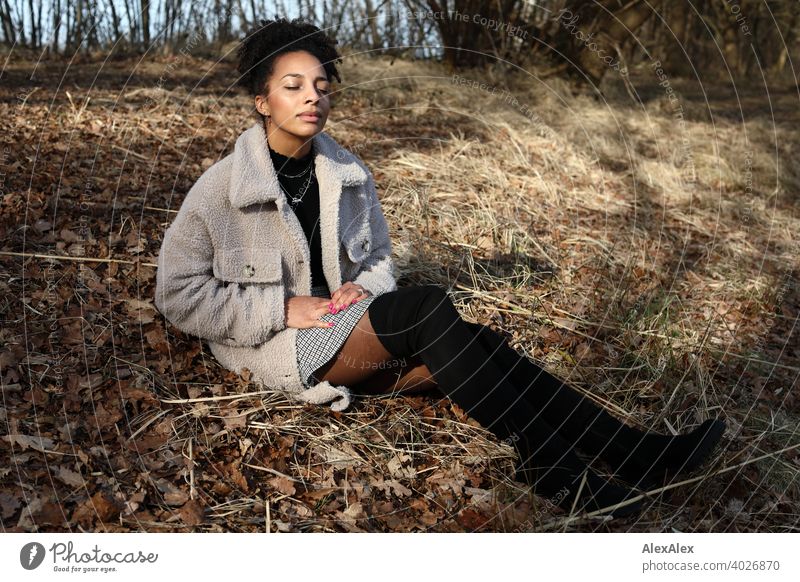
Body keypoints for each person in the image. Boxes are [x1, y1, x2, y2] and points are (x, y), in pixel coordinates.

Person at [154, 17, 726, 519]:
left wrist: (361, 287)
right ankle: (560, 474)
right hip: (275, 344)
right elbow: (176, 294)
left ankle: (639, 455)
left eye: (323, 87)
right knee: (427, 308)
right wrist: (282, 307)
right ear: (262, 101)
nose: (313, 99)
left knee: (484, 348)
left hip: (347, 328)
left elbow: (379, 260)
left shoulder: (348, 174)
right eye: (294, 86)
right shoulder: (221, 188)